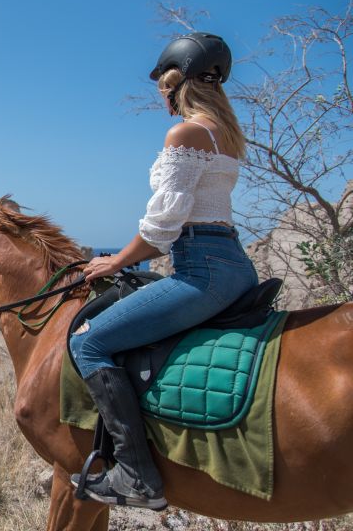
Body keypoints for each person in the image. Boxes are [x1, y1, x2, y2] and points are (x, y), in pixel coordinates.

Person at [68, 32, 259, 510]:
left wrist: (113, 261)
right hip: (234, 264)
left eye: (163, 91)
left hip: (201, 269)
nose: (162, 101)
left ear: (176, 83)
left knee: (88, 341)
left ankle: (136, 475)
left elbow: (160, 228)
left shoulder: (187, 133)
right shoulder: (224, 133)